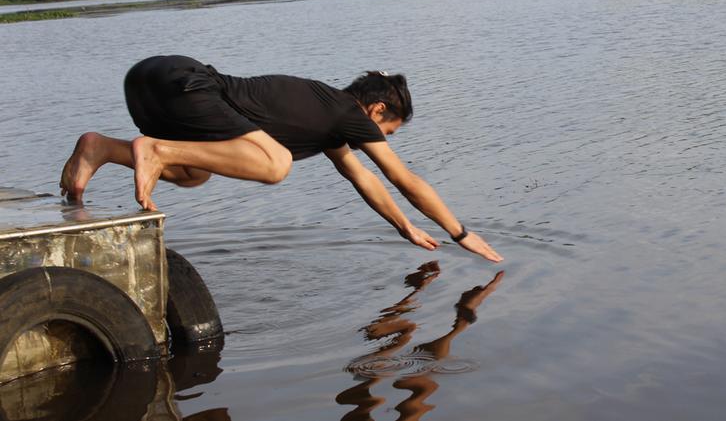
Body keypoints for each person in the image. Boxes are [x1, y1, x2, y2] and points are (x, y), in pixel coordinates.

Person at [59, 55, 502, 263]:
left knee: (194, 174)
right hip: (186, 81)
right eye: (387, 131)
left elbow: (362, 179)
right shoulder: (349, 114)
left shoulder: (329, 116)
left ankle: (103, 148)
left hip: (149, 80)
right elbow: (403, 179)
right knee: (276, 164)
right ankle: (155, 149)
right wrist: (460, 232)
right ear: (378, 110)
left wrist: (406, 227)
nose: (381, 138)